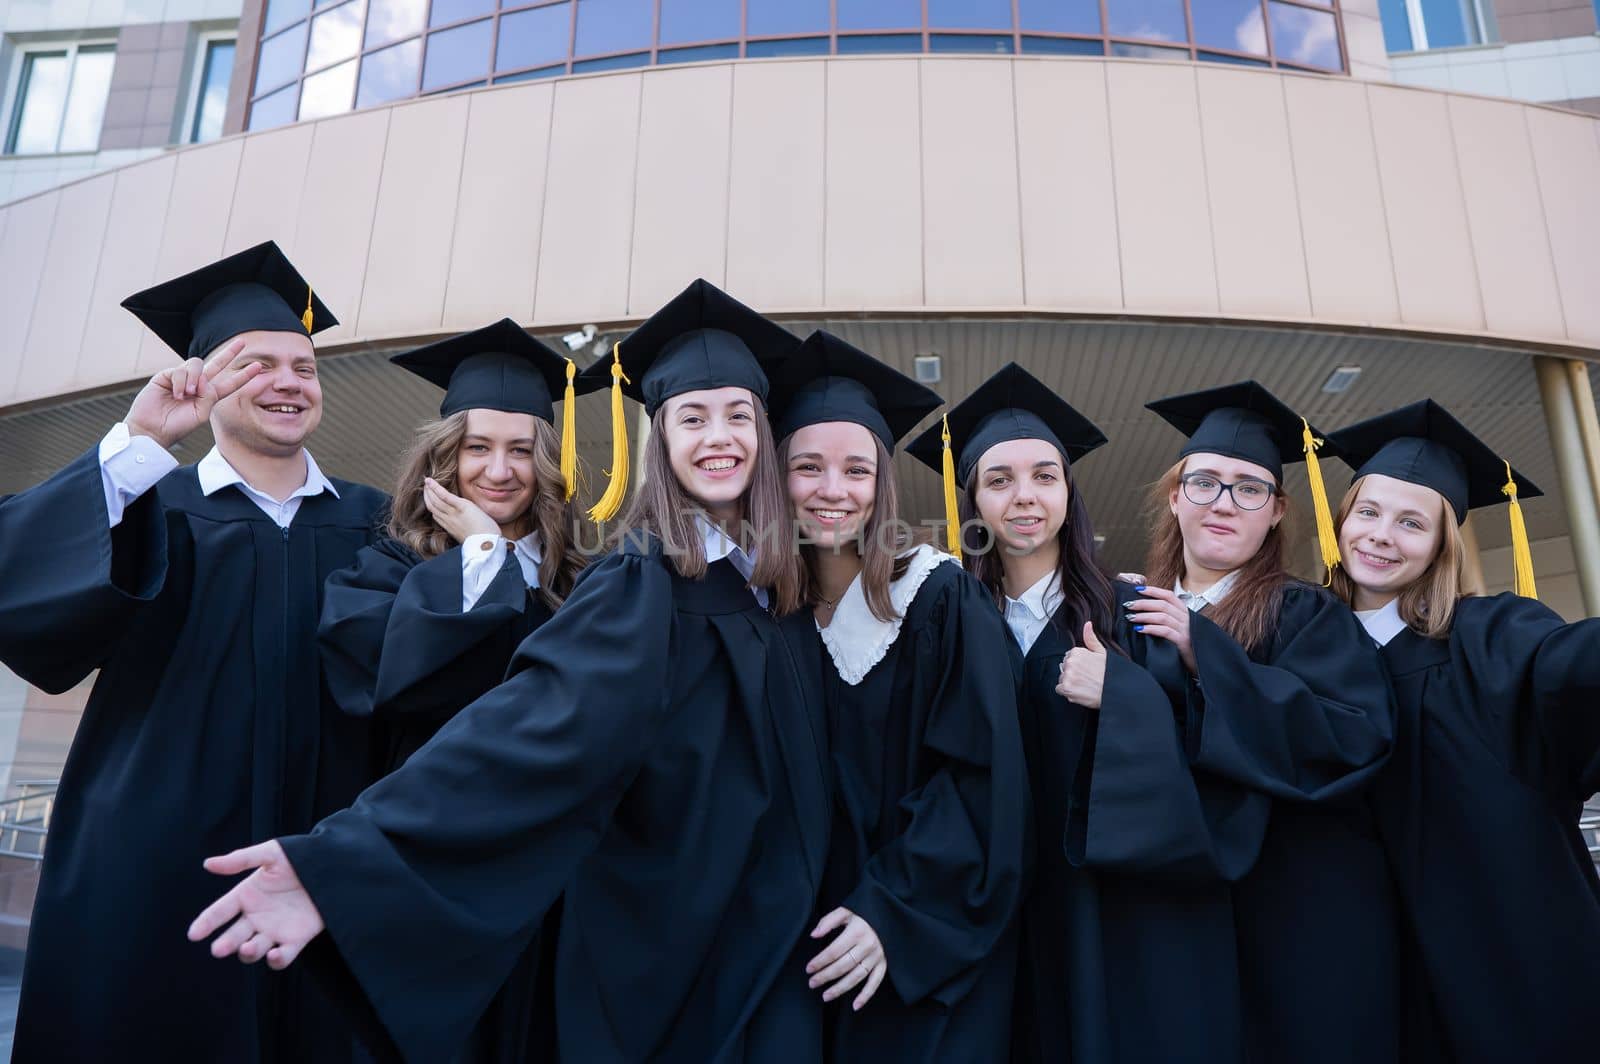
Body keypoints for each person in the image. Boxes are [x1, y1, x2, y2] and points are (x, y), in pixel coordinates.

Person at [188, 279, 833, 1064]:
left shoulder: (756, 588)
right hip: (594, 922)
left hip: (719, 924)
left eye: (739, 416)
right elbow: (530, 724)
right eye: (690, 418)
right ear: (658, 439)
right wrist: (345, 862)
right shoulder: (639, 579)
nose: (718, 436)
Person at [0, 241, 386, 1062]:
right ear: (204, 382)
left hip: (329, 862)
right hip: (155, 858)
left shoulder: (377, 524)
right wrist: (140, 442)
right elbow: (18, 591)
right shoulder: (146, 499)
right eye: (257, 364)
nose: (288, 382)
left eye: (305, 367)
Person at [910, 364, 1247, 1063]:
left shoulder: (1138, 618)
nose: (1024, 497)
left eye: (1044, 475)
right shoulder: (941, 624)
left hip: (1110, 921)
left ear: (1070, 490)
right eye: (998, 481)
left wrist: (1128, 696)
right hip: (986, 918)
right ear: (971, 500)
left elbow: (1217, 763)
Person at [315, 319, 597, 1061]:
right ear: (444, 458)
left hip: (552, 875)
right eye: (477, 448)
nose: (498, 471)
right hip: (426, 864)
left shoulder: (583, 585)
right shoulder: (383, 569)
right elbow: (377, 685)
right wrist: (480, 554)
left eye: (519, 451)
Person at [1100, 381, 1399, 1063]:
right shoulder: (1125, 613)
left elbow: (1352, 737)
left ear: (1276, 511)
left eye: (1249, 488)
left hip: (1294, 913)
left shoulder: (1308, 614)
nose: (1224, 503)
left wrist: (1202, 653)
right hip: (1165, 908)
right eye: (1204, 483)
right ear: (1175, 497)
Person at [768, 334, 1027, 1061]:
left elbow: (982, 782)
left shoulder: (940, 600)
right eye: (807, 467)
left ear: (882, 485)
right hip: (790, 951)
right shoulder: (766, 616)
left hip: (916, 946)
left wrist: (894, 911)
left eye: (857, 470)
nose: (833, 489)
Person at [1326, 400, 1600, 1063]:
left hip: (1500, 939)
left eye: (1412, 522)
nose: (1380, 535)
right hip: (1360, 952)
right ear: (1342, 518)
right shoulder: (1302, 640)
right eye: (1368, 512)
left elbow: (1568, 668)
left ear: (1443, 544)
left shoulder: (1488, 632)